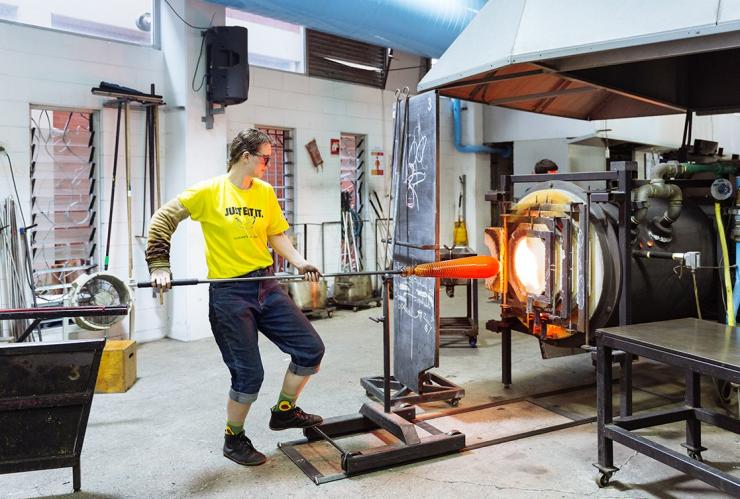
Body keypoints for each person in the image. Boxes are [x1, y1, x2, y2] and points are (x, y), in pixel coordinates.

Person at [145, 129, 325, 467]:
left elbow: (275, 233)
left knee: (310, 349)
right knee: (248, 375)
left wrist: (300, 262)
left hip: (267, 285)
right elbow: (162, 220)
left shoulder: (265, 193)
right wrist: (159, 265)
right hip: (230, 293)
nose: (268, 165)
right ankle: (234, 438)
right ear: (245, 157)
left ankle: (284, 411)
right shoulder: (209, 192)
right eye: (265, 158)